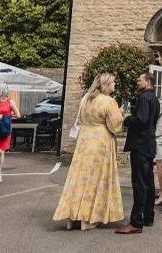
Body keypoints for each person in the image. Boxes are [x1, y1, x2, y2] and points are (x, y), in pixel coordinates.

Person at [53, 73, 125, 230]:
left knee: (78, 177)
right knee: (96, 179)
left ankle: (71, 216)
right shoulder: (109, 101)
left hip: (84, 140)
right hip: (100, 141)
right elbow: (116, 126)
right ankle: (89, 218)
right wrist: (121, 114)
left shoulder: (85, 99)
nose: (115, 85)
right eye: (113, 83)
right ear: (105, 85)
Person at [116, 73, 159, 235]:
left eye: (140, 80)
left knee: (139, 183)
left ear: (148, 82)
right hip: (149, 144)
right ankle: (148, 217)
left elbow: (141, 120)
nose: (137, 81)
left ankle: (136, 222)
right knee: (148, 182)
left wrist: (127, 119)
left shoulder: (144, 98)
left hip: (140, 145)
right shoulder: (154, 98)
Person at [0, 83, 20, 183]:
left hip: (4, 129)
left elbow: (18, 115)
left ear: (0, 90)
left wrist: (5, 117)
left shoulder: (10, 102)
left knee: (1, 151)